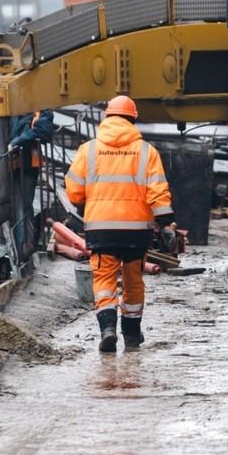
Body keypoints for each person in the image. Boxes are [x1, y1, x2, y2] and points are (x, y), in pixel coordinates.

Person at [64, 95, 174, 352]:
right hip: (136, 231)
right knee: (134, 280)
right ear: (133, 119)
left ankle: (108, 329)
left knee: (104, 280)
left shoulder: (88, 150)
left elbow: (74, 193)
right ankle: (133, 335)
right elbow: (157, 192)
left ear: (107, 118)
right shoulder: (147, 151)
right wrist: (166, 224)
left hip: (101, 228)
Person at [7, 109, 56, 256]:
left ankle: (24, 246)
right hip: (8, 164)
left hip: (27, 166)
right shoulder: (10, 108)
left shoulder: (43, 110)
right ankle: (17, 245)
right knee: (12, 207)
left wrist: (17, 142)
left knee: (23, 205)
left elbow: (43, 131)